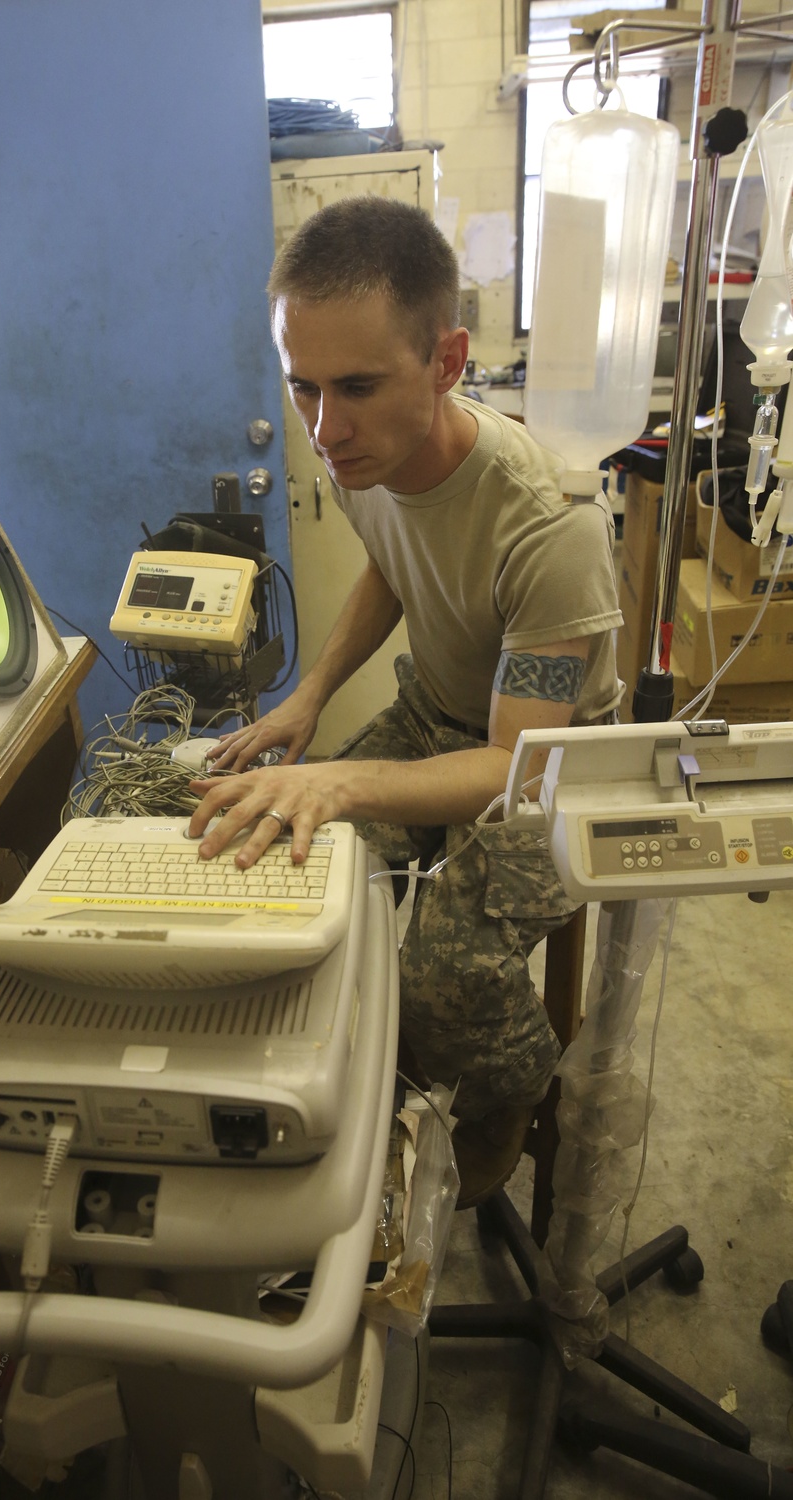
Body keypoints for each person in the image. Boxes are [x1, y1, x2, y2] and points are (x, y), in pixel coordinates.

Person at [187, 197, 624, 1205]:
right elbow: (392, 565)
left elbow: (519, 767)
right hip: (434, 715)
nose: (323, 427)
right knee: (313, 883)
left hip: (557, 767)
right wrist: (309, 701)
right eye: (301, 388)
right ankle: (397, 1067)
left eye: (355, 387)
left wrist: (343, 778)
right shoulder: (361, 454)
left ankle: (512, 1091)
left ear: (447, 360)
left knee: (441, 965)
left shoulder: (549, 527)